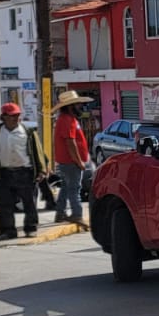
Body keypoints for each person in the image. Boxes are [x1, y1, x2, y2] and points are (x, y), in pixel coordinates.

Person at [0, 103, 46, 241]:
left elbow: (38, 152)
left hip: (24, 172)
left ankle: (31, 227)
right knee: (5, 204)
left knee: (29, 202)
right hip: (3, 173)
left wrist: (42, 170)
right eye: (12, 115)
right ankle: (9, 231)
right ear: (4, 117)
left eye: (17, 115)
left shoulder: (28, 131)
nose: (16, 118)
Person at [49, 91, 92, 228]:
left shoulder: (69, 119)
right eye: (77, 104)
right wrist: (79, 161)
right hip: (70, 162)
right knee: (75, 188)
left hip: (68, 161)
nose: (80, 105)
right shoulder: (66, 120)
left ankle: (60, 213)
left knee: (66, 188)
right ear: (70, 106)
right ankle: (77, 214)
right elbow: (70, 143)